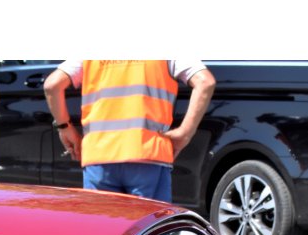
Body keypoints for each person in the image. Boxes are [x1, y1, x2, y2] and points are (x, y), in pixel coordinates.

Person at [44, 60, 215, 203]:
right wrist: (185, 133)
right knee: (148, 230)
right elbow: (205, 81)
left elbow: (52, 85)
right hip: (148, 155)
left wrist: (65, 128)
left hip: (99, 157)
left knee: (104, 230)